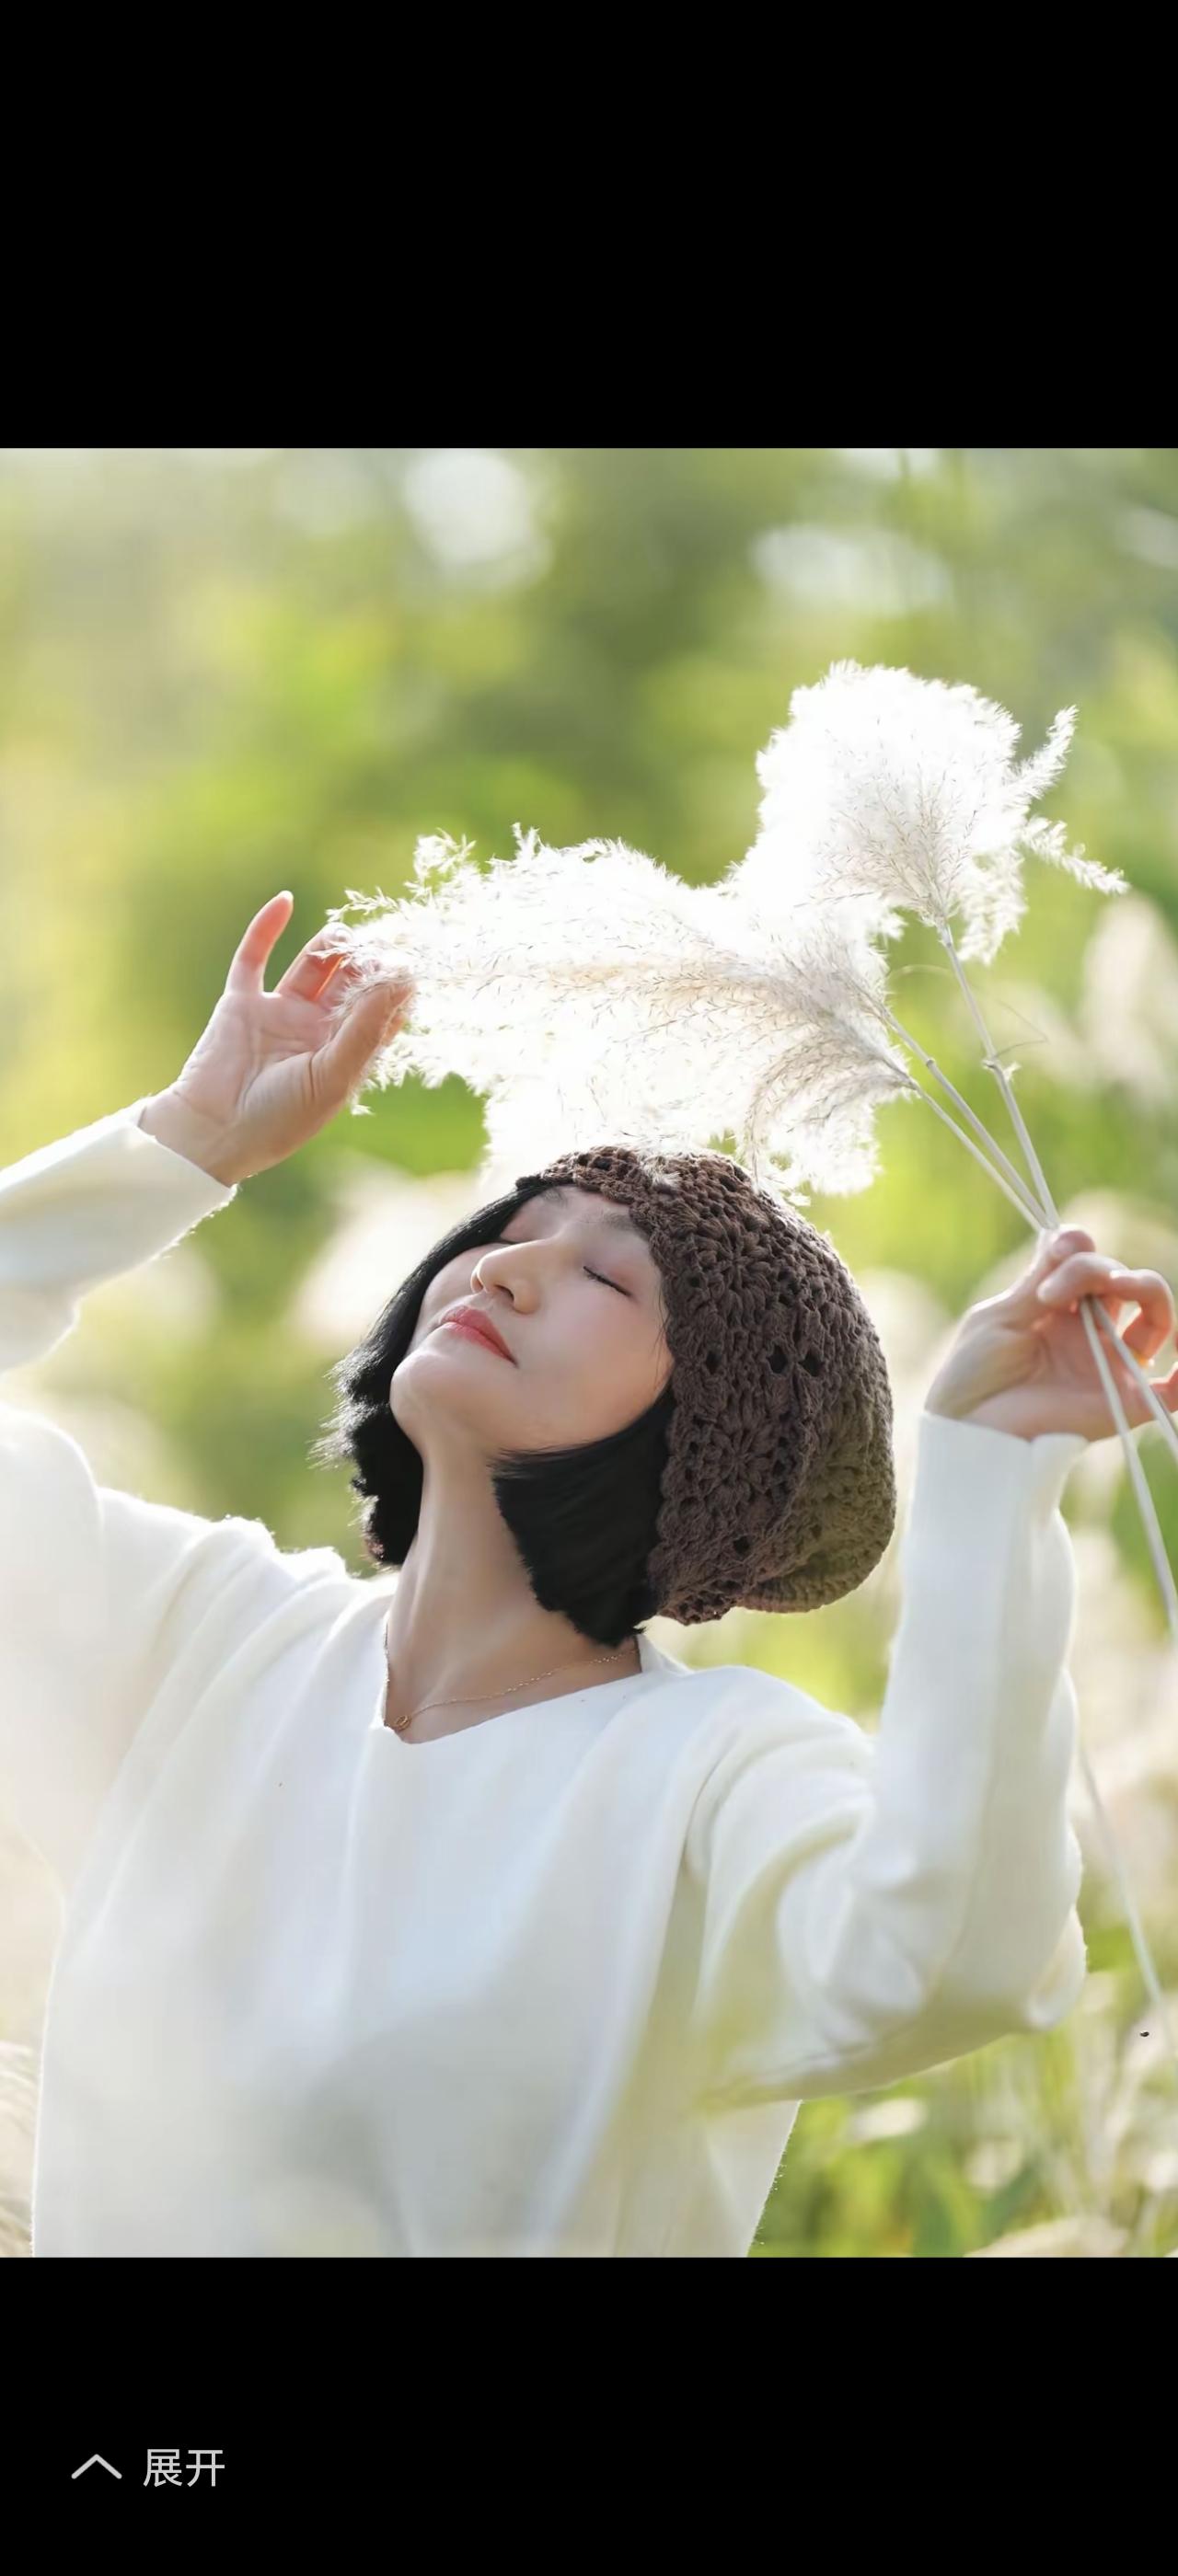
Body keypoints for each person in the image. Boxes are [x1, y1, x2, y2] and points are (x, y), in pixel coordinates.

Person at [2, 892, 1174, 2260]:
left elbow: (952, 1962)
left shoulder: (710, 1774)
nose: (505, 1274)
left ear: (712, 1434)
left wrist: (990, 1469)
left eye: (609, 1283)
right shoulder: (203, 1636)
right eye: (520, 1230)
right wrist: (182, 1148)